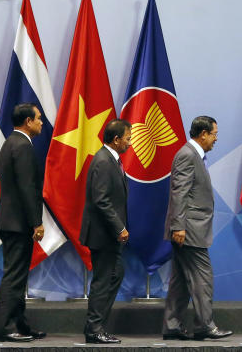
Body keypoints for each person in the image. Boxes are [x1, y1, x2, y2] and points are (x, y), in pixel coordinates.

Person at [161, 116, 232, 341]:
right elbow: (179, 192)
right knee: (203, 277)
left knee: (180, 280)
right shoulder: (187, 155)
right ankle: (204, 325)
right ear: (203, 134)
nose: (215, 139)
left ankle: (172, 325)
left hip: (188, 229)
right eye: (214, 134)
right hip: (189, 230)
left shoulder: (193, 156)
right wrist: (178, 227)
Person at [0, 103, 47, 343]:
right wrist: (37, 222)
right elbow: (27, 188)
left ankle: (21, 325)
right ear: (27, 122)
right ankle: (4, 328)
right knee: (14, 276)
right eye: (38, 119)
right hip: (18, 223)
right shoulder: (22, 146)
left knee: (18, 275)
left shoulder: (11, 142)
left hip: (10, 221)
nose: (42, 122)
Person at [81, 119, 131, 344]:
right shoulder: (103, 161)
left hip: (108, 234)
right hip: (103, 234)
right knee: (103, 280)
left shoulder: (112, 160)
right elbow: (101, 200)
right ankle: (94, 330)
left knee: (115, 273)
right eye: (127, 139)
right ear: (116, 139)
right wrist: (119, 227)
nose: (130, 143)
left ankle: (96, 325)